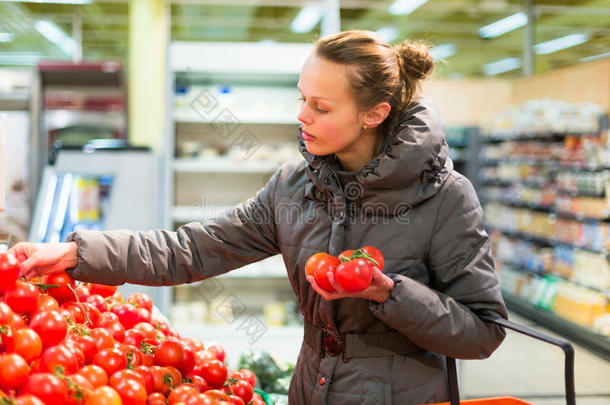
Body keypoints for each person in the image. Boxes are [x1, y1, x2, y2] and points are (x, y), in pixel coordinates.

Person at [10, 30, 507, 404]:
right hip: (310, 389)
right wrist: (78, 253)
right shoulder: (294, 186)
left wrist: (389, 293)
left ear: (373, 114)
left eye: (320, 106)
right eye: (301, 98)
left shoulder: (444, 198)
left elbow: (484, 331)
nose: (301, 115)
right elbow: (192, 249)